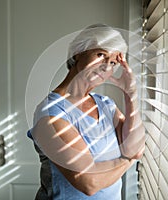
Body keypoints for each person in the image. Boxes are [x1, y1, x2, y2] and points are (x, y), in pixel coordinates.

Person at [27, 24, 146, 200]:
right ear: (78, 52)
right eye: (101, 55)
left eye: (113, 62)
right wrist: (129, 159)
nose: (106, 67)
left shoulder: (106, 105)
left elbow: (134, 145)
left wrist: (131, 94)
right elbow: (88, 183)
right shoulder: (51, 113)